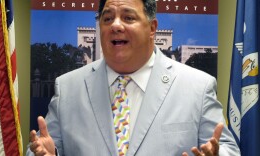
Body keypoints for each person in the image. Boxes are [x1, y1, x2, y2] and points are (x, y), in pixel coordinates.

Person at [27, 0, 240, 155]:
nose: (116, 25)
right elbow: (42, 147)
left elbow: (228, 149)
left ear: (152, 28)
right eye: (107, 18)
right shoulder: (68, 87)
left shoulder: (197, 86)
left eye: (128, 17)